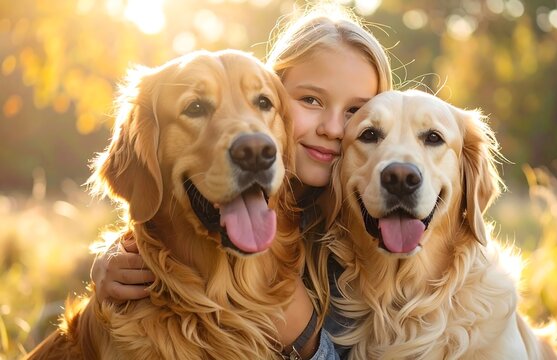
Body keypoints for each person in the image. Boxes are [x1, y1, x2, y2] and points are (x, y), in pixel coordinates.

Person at [90, 3, 393, 359]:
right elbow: (147, 210)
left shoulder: (375, 234)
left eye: (356, 111)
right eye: (310, 100)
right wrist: (108, 260)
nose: (333, 128)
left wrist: (300, 328)